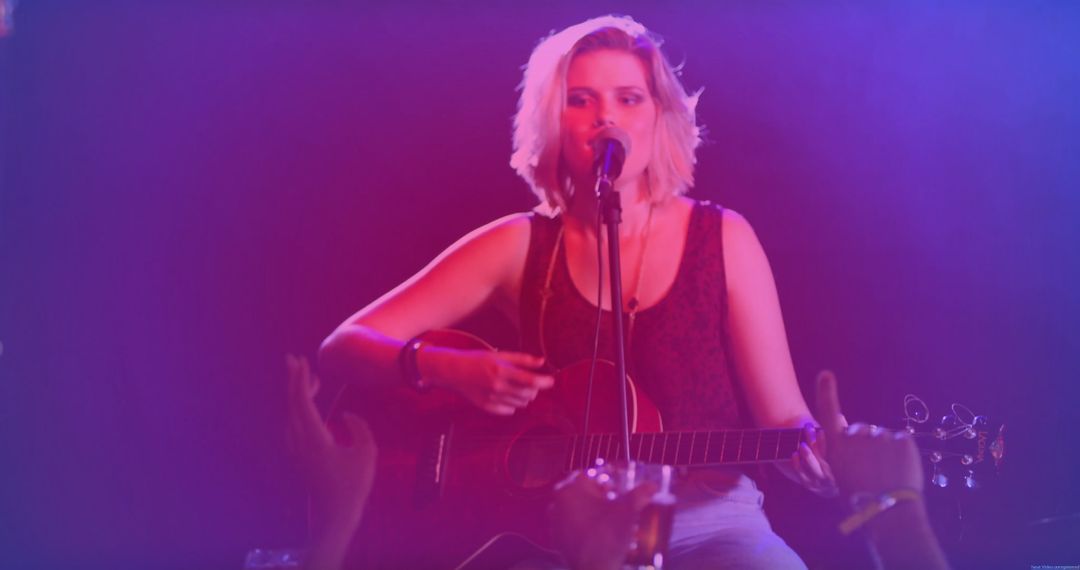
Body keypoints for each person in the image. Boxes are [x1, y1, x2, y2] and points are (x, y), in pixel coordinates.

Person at [319, 14, 835, 568]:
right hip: (561, 537)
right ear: (553, 121)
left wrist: (821, 452)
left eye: (630, 98)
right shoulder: (519, 243)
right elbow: (343, 347)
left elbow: (786, 418)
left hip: (711, 529)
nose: (605, 117)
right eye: (580, 99)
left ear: (660, 117)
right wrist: (448, 369)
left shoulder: (724, 238)